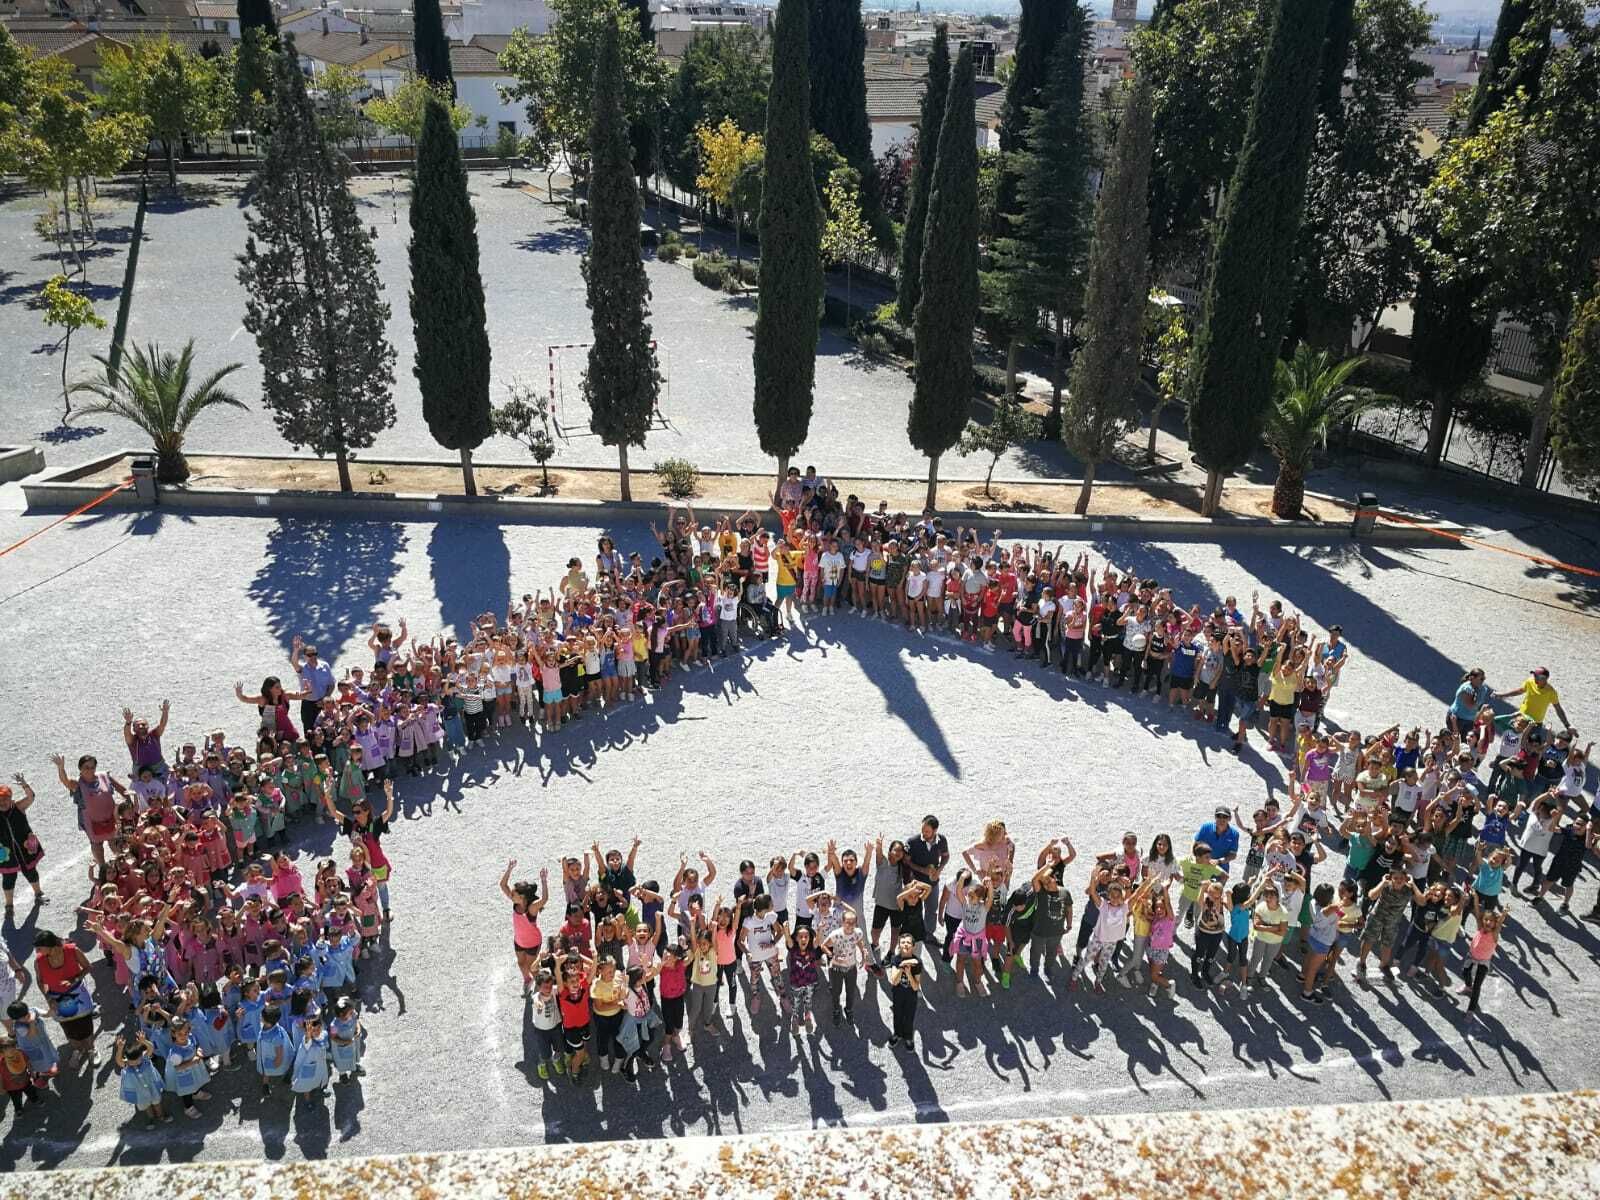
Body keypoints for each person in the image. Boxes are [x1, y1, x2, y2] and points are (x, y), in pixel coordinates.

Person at [115, 1033, 167, 1127]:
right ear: (127, 1059)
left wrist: (144, 1041)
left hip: (151, 1086)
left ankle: (161, 1115)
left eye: (138, 1061)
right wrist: (120, 1048)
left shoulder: (145, 1058)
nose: (135, 1064)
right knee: (146, 1105)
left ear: (141, 1055)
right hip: (139, 1091)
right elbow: (119, 1061)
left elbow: (151, 1047)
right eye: (132, 1062)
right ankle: (151, 1118)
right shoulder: (127, 1065)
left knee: (157, 1102)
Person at [885, 934, 923, 1051]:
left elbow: (915, 987)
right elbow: (894, 981)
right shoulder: (895, 960)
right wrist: (901, 968)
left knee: (909, 1017)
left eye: (908, 942)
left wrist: (909, 973)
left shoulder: (917, 962)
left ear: (913, 946)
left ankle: (908, 1037)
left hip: (911, 996)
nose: (905, 944)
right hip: (898, 994)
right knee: (897, 1015)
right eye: (903, 942)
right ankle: (897, 1034)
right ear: (899, 945)